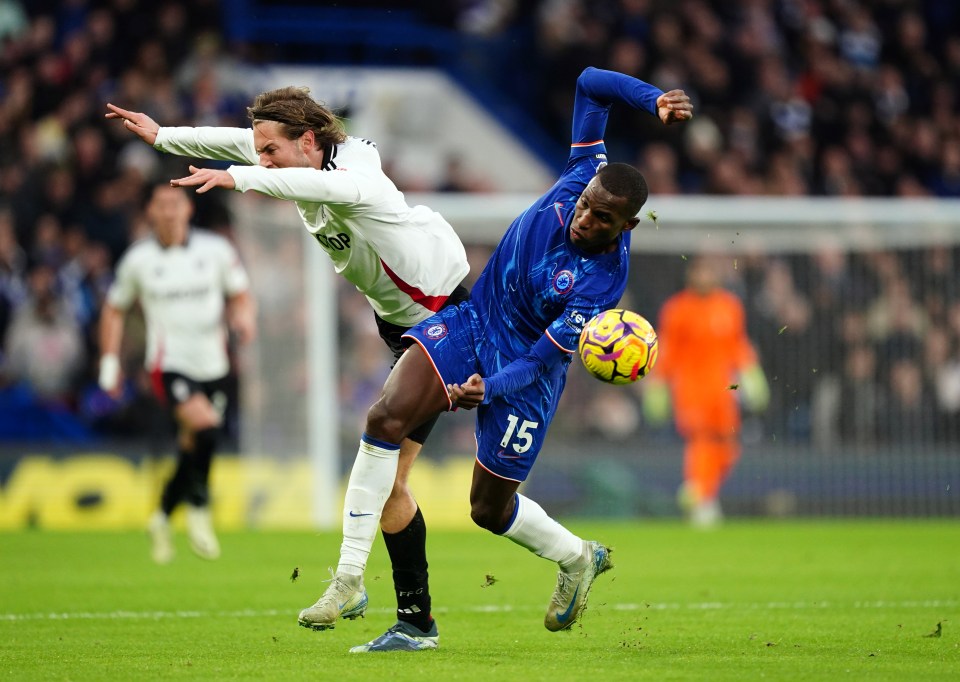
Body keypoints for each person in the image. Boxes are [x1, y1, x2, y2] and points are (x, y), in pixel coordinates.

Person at [298, 66, 692, 653]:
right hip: (472, 320)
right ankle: (350, 580)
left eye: (603, 219)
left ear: (627, 226)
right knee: (384, 419)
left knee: (487, 508)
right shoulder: (584, 170)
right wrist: (651, 97)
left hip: (524, 377)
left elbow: (540, 361)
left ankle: (578, 557)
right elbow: (586, 81)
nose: (586, 218)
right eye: (586, 207)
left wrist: (491, 386)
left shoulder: (601, 283)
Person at [105, 90, 470, 622]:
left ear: (307, 141)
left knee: (387, 445)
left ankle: (355, 584)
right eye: (260, 153)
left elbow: (314, 185)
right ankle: (555, 564)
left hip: (443, 315)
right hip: (401, 325)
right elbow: (236, 144)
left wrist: (238, 178)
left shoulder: (356, 169)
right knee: (402, 483)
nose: (263, 159)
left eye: (271, 151)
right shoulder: (291, 157)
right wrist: (163, 137)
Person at [98, 182, 257, 562]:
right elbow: (114, 308)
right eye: (161, 205)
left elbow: (240, 295)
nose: (168, 211)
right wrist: (109, 361)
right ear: (150, 212)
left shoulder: (215, 251)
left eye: (175, 203)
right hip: (168, 365)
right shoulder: (138, 260)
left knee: (193, 445)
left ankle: (163, 514)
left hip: (214, 365)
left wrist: (244, 319)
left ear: (188, 209)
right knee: (204, 427)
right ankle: (200, 508)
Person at [643, 255, 769, 527]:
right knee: (701, 442)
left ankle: (699, 490)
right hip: (690, 391)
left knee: (728, 448)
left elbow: (738, 346)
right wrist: (657, 385)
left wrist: (751, 374)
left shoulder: (730, 306)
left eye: (708, 272)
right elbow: (668, 350)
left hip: (723, 392)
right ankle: (701, 500)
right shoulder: (676, 309)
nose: (703, 277)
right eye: (699, 272)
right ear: (691, 275)